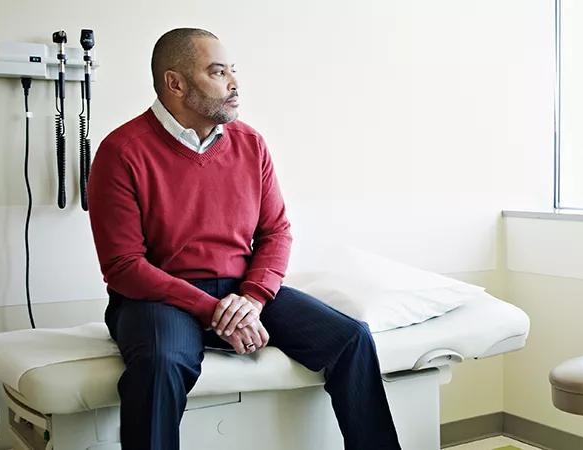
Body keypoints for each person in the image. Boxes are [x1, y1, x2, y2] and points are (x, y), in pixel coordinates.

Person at [87, 28, 401, 450]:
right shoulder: (122, 151)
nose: (234, 83)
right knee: (162, 363)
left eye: (233, 70)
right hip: (159, 299)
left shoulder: (251, 144)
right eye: (218, 72)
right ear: (175, 83)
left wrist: (251, 299)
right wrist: (213, 309)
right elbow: (124, 266)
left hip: (241, 292)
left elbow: (276, 232)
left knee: (352, 339)